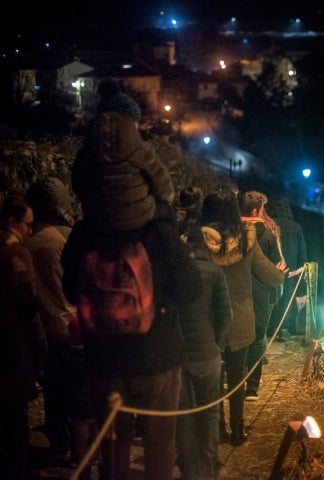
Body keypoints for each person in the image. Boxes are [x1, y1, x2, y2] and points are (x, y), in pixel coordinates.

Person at [61, 211, 203, 480]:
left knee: (113, 447)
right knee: (160, 446)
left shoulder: (85, 231)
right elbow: (190, 289)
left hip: (104, 360)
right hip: (157, 356)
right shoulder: (159, 231)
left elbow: (69, 289)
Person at [200, 192, 286, 446]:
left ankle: (217, 429)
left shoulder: (201, 240)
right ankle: (238, 430)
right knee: (237, 377)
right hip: (239, 317)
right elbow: (269, 274)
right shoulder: (247, 239)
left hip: (210, 320)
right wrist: (280, 275)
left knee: (214, 378)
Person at [25, 177, 96, 474]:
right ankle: (82, 455)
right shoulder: (62, 239)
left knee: (54, 392)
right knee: (80, 404)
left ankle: (58, 444)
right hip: (71, 325)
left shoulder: (26, 241)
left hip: (44, 326)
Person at [72, 78, 175, 233]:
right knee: (167, 214)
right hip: (135, 220)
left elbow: (77, 184)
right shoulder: (139, 148)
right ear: (128, 121)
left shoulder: (88, 149)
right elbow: (164, 187)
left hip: (97, 219)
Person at [176, 226, 232, 480]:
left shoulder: (174, 272)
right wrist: (217, 343)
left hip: (179, 355)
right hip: (208, 352)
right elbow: (225, 314)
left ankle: (189, 469)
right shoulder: (215, 273)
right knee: (210, 411)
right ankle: (207, 466)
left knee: (184, 413)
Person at [0, 198, 46, 480]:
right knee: (15, 433)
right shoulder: (13, 254)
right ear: (12, 222)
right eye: (27, 224)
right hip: (9, 357)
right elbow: (29, 309)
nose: (30, 230)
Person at [239, 191, 284, 402]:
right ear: (256, 211)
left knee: (237, 339)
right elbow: (277, 265)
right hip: (260, 295)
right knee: (257, 339)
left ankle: (235, 381)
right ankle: (252, 388)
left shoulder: (232, 234)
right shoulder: (267, 235)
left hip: (237, 294)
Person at [267, 197, 308, 339]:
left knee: (273, 297)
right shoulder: (296, 227)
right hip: (290, 270)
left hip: (272, 267)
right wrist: (302, 267)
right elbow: (302, 250)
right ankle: (283, 328)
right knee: (287, 298)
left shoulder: (269, 225)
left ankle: (270, 329)